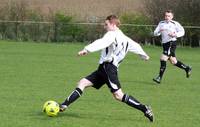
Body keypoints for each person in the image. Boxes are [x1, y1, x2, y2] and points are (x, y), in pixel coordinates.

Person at [59, 15, 153, 122]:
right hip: (103, 69)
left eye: (106, 24)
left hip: (108, 69)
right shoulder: (126, 39)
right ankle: (64, 105)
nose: (105, 27)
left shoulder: (111, 34)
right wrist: (144, 55)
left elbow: (101, 42)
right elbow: (136, 46)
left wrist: (87, 49)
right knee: (82, 83)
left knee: (118, 95)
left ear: (113, 24)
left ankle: (144, 108)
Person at [153, 10, 192, 84]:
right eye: (166, 16)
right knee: (174, 61)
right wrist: (159, 31)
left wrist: (175, 35)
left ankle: (159, 78)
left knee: (163, 58)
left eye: (169, 16)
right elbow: (155, 33)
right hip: (165, 44)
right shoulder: (161, 23)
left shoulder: (175, 24)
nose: (167, 17)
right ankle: (187, 68)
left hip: (171, 43)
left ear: (172, 17)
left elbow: (182, 31)